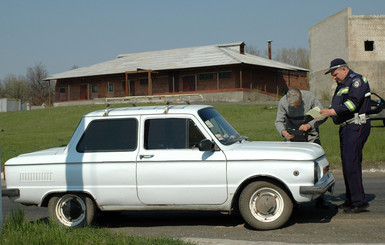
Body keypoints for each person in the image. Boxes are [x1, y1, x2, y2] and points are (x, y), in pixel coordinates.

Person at [320, 58, 371, 213]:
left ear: (344, 69)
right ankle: (351, 199)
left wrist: (332, 112)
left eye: (335, 74)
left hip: (356, 125)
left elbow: (353, 103)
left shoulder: (357, 80)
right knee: (348, 164)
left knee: (352, 163)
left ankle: (359, 202)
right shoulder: (342, 85)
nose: (334, 78)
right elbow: (338, 105)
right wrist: (325, 112)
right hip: (346, 128)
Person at [275, 88, 328, 208]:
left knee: (315, 166)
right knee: (292, 166)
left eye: (297, 105)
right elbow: (279, 121)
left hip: (310, 132)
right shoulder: (283, 102)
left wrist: (309, 125)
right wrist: (283, 132)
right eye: (291, 106)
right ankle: (293, 198)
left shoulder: (310, 98)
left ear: (302, 100)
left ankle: (319, 198)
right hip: (292, 134)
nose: (294, 108)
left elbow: (322, 115)